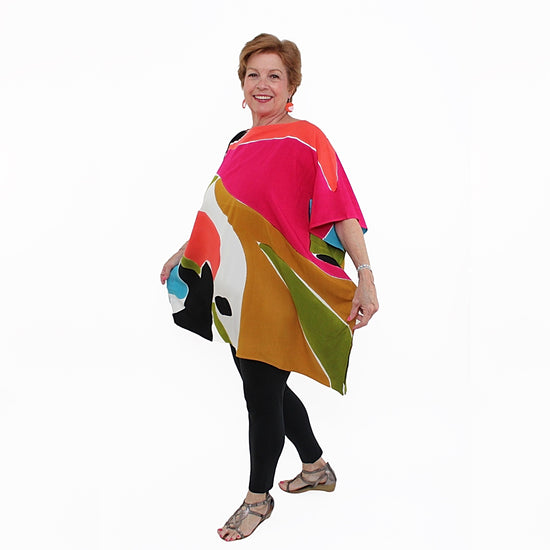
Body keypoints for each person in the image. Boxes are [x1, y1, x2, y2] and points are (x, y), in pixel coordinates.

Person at [160, 33, 378, 542]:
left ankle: (258, 499)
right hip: (240, 290)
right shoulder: (238, 142)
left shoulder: (306, 139)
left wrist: (366, 275)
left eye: (274, 75)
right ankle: (316, 468)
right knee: (267, 385)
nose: (262, 84)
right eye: (253, 74)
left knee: (260, 394)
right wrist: (183, 250)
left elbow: (341, 207)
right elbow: (224, 209)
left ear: (291, 86)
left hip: (280, 284)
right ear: (241, 85)